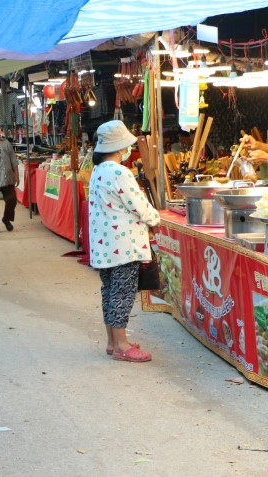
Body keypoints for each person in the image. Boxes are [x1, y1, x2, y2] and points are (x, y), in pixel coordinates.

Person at [89, 120, 160, 362]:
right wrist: (154, 219)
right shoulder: (119, 172)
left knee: (110, 291)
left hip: (105, 244)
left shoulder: (99, 170)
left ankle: (112, 341)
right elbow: (138, 204)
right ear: (120, 146)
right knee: (122, 293)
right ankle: (121, 345)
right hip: (124, 246)